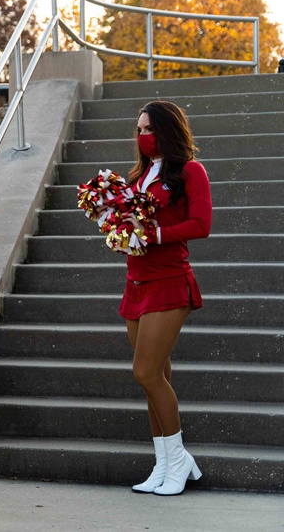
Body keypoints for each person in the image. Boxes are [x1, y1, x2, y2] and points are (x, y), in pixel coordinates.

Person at [122, 101, 211, 496]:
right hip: (136, 280)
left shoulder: (190, 171)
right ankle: (163, 464)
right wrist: (121, 232)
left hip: (170, 279)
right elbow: (131, 223)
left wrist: (154, 235)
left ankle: (178, 460)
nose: (142, 135)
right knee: (154, 377)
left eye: (148, 128)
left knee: (145, 372)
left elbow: (202, 224)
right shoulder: (139, 175)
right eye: (138, 129)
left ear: (167, 130)